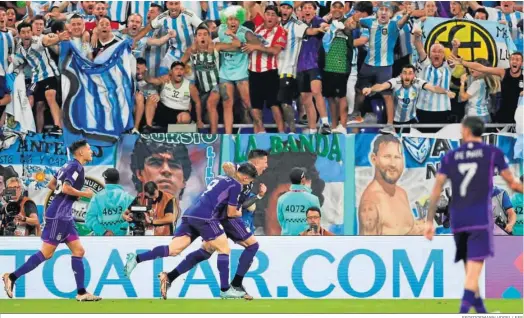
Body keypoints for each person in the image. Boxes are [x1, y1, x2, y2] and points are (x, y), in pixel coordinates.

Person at [424, 116, 523, 314]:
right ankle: (463, 312)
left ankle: (481, 311)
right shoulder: (492, 152)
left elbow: (436, 190)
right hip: (479, 218)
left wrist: (428, 221)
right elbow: (513, 184)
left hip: (458, 219)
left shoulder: (451, 156)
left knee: (470, 269)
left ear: (467, 131)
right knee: (475, 269)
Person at [123, 163, 258, 300]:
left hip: (191, 214)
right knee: (223, 249)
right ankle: (225, 289)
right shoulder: (237, 185)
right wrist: (239, 212)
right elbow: (231, 212)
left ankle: (137, 258)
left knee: (173, 249)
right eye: (250, 180)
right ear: (246, 178)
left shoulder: (220, 178)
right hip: (206, 217)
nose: (250, 183)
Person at [2, 139, 101, 301]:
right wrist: (85, 194)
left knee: (79, 251)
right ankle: (11, 277)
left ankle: (82, 293)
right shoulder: (76, 167)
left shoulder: (67, 165)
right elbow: (66, 187)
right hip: (58, 216)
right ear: (81, 152)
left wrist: (63, 195)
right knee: (46, 253)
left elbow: (52, 185)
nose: (91, 152)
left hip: (64, 215)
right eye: (89, 149)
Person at [165, 149, 269, 299]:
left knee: (206, 251)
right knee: (251, 245)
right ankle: (234, 285)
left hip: (221, 216)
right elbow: (226, 166)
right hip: (223, 217)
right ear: (256, 161)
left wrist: (259, 196)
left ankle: (170, 277)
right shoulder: (240, 170)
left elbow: (243, 204)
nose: (266, 166)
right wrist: (235, 177)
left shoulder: (250, 180)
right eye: (265, 162)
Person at [349, 2, 412, 134]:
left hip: (385, 67)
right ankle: (356, 114)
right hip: (367, 64)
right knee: (359, 91)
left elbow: (403, 21)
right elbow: (355, 20)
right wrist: (352, 21)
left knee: (387, 96)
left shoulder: (394, 25)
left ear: (390, 14)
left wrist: (408, 14)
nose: (383, 12)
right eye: (381, 10)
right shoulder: (369, 22)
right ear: (377, 13)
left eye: (386, 10)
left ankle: (390, 125)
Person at [359, 135, 425, 235]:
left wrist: (418, 229)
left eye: (397, 157)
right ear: (374, 159)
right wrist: (411, 235)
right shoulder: (370, 202)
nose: (393, 164)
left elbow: (401, 229)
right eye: (387, 157)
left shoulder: (402, 193)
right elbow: (367, 248)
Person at [12, 21, 68, 134]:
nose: (26, 34)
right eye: (23, 32)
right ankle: (38, 133)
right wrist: (12, 59)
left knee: (50, 96)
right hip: (37, 78)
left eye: (28, 32)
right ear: (19, 34)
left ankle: (59, 127)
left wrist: (58, 38)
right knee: (39, 106)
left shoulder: (36, 41)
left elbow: (47, 41)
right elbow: (19, 59)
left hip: (50, 73)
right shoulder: (20, 48)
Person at [362, 65, 455, 127]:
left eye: (410, 73)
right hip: (394, 122)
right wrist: (371, 89)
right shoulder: (396, 81)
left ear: (414, 75)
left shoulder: (417, 81)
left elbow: (434, 88)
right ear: (401, 75)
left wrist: (446, 92)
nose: (407, 76)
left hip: (411, 121)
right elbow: (381, 86)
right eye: (405, 73)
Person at [242, 5, 287, 133]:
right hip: (253, 72)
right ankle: (260, 134)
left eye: (273, 14)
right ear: (265, 16)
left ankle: (282, 134)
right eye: (268, 14)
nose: (270, 17)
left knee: (274, 105)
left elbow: (275, 50)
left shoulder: (280, 31)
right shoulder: (258, 29)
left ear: (277, 18)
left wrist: (256, 46)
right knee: (255, 107)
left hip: (270, 72)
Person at [451, 52, 523, 124]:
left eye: (517, 59)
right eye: (512, 59)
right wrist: (462, 62)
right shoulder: (503, 72)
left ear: (522, 63)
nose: (514, 61)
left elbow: (463, 97)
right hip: (503, 115)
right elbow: (481, 67)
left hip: (520, 115)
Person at [143, 61, 201, 131]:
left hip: (179, 113)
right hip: (163, 111)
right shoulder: (165, 79)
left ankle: (173, 133)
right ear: (171, 72)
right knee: (151, 98)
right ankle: (148, 127)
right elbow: (150, 80)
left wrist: (199, 120)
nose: (179, 71)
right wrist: (144, 72)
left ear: (184, 72)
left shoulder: (190, 86)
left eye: (181, 69)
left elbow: (198, 103)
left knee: (185, 117)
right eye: (176, 69)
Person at [85, 168, 135, 236]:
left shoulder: (96, 198)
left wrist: (103, 232)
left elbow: (89, 219)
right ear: (118, 180)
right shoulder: (128, 198)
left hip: (101, 240)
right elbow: (135, 220)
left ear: (105, 180)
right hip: (123, 241)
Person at [277, 167, 322, 236]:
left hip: (287, 238)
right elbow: (316, 220)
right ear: (303, 180)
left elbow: (281, 219)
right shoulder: (313, 199)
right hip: (307, 238)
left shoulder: (281, 199)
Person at [458, 58, 500, 123]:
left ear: (481, 69)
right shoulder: (486, 80)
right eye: (471, 66)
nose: (471, 68)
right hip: (485, 115)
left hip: (475, 116)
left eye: (475, 67)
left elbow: (463, 98)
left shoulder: (477, 83)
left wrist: (462, 82)